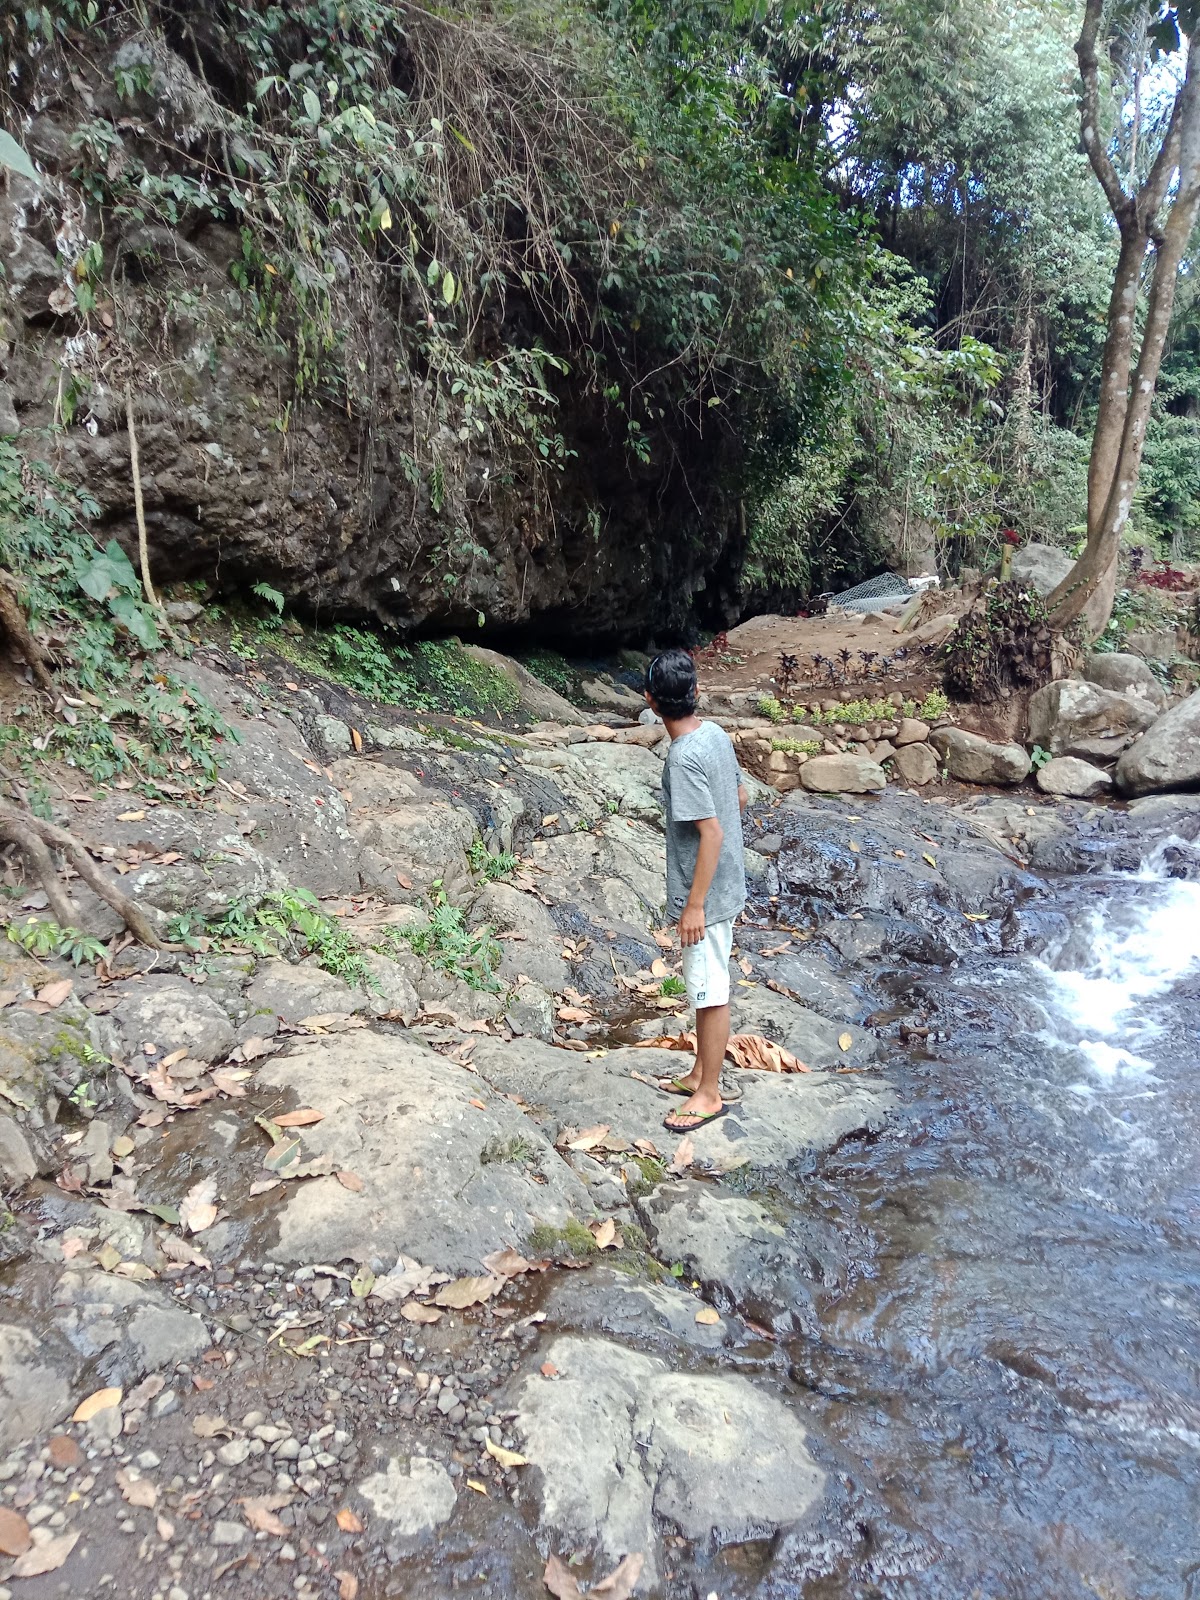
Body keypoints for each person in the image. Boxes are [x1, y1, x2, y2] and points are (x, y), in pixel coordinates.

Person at [644, 648, 747, 1131]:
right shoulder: (714, 735)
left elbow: (712, 832)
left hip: (707, 892)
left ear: (650, 701)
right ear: (697, 693)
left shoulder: (683, 757)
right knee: (710, 981)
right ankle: (700, 1074)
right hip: (727, 880)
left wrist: (695, 905)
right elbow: (740, 795)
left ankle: (709, 1094)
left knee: (710, 991)